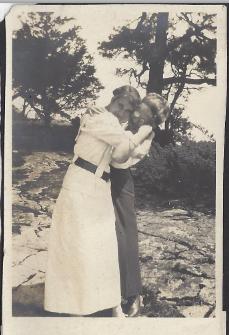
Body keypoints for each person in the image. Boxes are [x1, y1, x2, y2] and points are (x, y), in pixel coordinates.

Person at [44, 85, 153, 317]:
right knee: (77, 244)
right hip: (81, 181)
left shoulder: (112, 121)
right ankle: (73, 305)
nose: (121, 111)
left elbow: (121, 155)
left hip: (101, 184)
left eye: (126, 110)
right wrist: (144, 132)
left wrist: (137, 136)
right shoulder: (99, 117)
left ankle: (112, 305)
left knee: (105, 246)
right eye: (119, 105)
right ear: (113, 98)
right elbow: (123, 148)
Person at [110, 92, 170, 317]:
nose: (137, 116)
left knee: (125, 234)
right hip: (97, 177)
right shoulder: (122, 115)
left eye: (145, 116)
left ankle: (134, 294)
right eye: (139, 110)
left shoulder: (148, 134)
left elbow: (122, 159)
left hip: (120, 179)